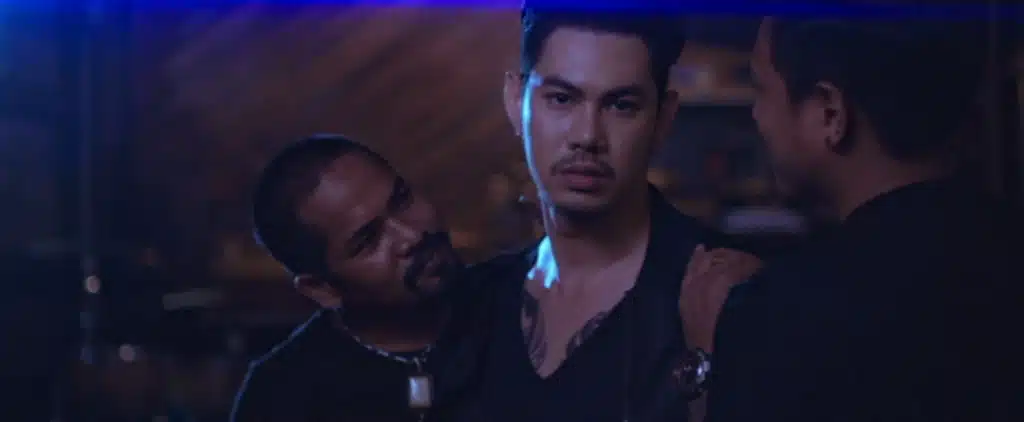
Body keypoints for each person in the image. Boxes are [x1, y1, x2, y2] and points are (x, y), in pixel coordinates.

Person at [698, 16, 1022, 422]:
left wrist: (707, 359)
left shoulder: (785, 316)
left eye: (761, 89)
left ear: (830, 113)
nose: (757, 115)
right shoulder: (1006, 249)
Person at [464, 4, 761, 422]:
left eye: (621, 105)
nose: (588, 136)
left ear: (663, 119)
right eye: (562, 99)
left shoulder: (725, 291)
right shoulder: (475, 301)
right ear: (516, 100)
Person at [230, 134, 486, 422]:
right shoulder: (281, 399)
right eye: (369, 240)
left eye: (402, 200)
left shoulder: (517, 299)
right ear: (321, 289)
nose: (412, 236)